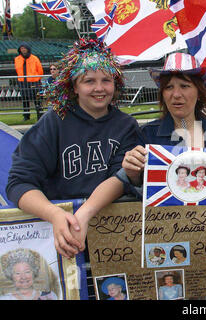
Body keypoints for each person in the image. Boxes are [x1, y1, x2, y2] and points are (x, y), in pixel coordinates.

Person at [68, 52, 206, 249]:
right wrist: (134, 175)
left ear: (199, 92)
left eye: (185, 86)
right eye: (169, 87)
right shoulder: (147, 135)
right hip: (164, 240)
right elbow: (137, 189)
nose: (176, 94)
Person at [6, 38, 141, 259]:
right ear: (74, 86)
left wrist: (85, 214)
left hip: (113, 234)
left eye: (106, 80)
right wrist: (54, 214)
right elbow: (19, 183)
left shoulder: (126, 126)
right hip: (60, 234)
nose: (99, 88)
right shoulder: (53, 123)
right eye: (89, 81)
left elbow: (122, 177)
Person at [14, 43, 44, 121]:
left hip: (34, 82)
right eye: (22, 48)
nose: (23, 50)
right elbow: (17, 70)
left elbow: (40, 70)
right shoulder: (17, 59)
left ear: (28, 49)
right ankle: (26, 116)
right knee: (25, 100)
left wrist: (37, 79)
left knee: (37, 99)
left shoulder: (34, 58)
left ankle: (40, 115)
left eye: (24, 48)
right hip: (23, 82)